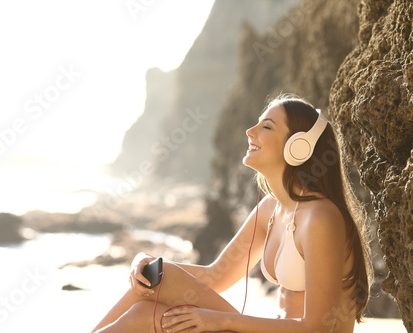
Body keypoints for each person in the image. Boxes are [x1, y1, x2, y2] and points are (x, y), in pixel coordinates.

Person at [91, 94, 372, 333]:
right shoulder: (270, 210)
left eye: (267, 127)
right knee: (145, 306)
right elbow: (216, 276)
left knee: (160, 275)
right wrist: (141, 261)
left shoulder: (321, 217)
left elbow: (317, 328)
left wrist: (223, 320)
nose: (250, 131)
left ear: (298, 148)